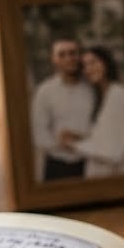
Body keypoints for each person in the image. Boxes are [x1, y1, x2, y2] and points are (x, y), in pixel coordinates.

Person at [59, 45, 124, 178]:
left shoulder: (118, 94)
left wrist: (73, 145)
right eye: (84, 65)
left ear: (106, 63)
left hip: (118, 181)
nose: (88, 69)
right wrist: (79, 137)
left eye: (93, 62)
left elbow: (115, 151)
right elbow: (104, 138)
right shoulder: (100, 97)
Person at [30, 38, 95, 182]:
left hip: (90, 164)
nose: (68, 58)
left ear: (80, 56)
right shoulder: (44, 91)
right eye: (62, 54)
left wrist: (81, 140)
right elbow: (38, 131)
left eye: (72, 53)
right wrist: (61, 144)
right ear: (53, 59)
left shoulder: (91, 89)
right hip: (56, 165)